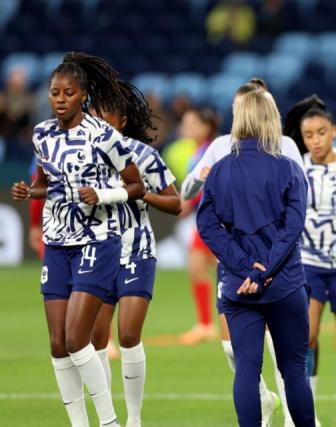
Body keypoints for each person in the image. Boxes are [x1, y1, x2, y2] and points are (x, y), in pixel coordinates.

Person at [10, 52, 146, 427]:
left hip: (97, 241)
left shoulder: (104, 135)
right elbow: (46, 182)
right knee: (57, 344)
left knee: (75, 339)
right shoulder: (41, 134)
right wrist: (31, 192)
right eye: (55, 92)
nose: (59, 99)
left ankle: (109, 422)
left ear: (82, 95)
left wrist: (103, 196)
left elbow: (136, 185)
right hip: (56, 243)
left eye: (68, 93)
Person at [182, 78, 303, 427]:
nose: (241, 115)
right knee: (238, 351)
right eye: (237, 109)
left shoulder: (286, 148)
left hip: (274, 263)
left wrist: (263, 263)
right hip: (244, 265)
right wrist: (200, 176)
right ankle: (265, 401)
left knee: (284, 354)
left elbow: (297, 202)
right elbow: (190, 187)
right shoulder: (221, 147)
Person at [88, 80, 182, 427]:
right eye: (93, 111)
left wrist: (142, 195)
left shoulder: (142, 155)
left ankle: (134, 418)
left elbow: (175, 203)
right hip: (96, 251)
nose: (96, 116)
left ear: (122, 120)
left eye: (104, 111)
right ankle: (106, 418)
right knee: (97, 339)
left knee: (127, 335)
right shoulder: (82, 154)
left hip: (136, 250)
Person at [285, 95, 336, 427]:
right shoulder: (295, 167)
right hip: (309, 264)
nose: (315, 140)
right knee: (307, 337)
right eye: (308, 135)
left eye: (321, 132)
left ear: (333, 131)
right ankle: (308, 412)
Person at [178, 108, 222, 346]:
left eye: (191, 122)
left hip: (213, 218)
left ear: (206, 127)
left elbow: (207, 184)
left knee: (201, 266)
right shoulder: (197, 151)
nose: (186, 128)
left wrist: (187, 202)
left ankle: (206, 325)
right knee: (204, 267)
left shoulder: (209, 151)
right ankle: (205, 323)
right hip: (206, 217)